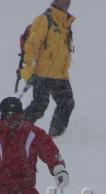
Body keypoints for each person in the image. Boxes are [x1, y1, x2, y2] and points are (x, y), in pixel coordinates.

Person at [20, 0, 75, 137]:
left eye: (68, 0)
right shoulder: (44, 20)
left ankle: (55, 136)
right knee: (39, 106)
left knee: (66, 104)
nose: (66, 3)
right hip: (42, 74)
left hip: (60, 75)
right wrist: (28, 72)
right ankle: (17, 132)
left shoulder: (65, 22)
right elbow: (31, 47)